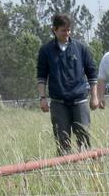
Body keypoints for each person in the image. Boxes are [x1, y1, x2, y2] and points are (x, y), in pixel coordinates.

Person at [35, 14, 100, 155]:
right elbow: (41, 76)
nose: (67, 33)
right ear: (54, 30)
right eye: (63, 30)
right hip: (58, 103)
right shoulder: (46, 50)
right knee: (62, 140)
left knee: (84, 137)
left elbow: (92, 73)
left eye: (69, 30)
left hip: (80, 100)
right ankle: (66, 169)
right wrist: (42, 98)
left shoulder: (81, 48)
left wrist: (94, 97)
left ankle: (87, 167)